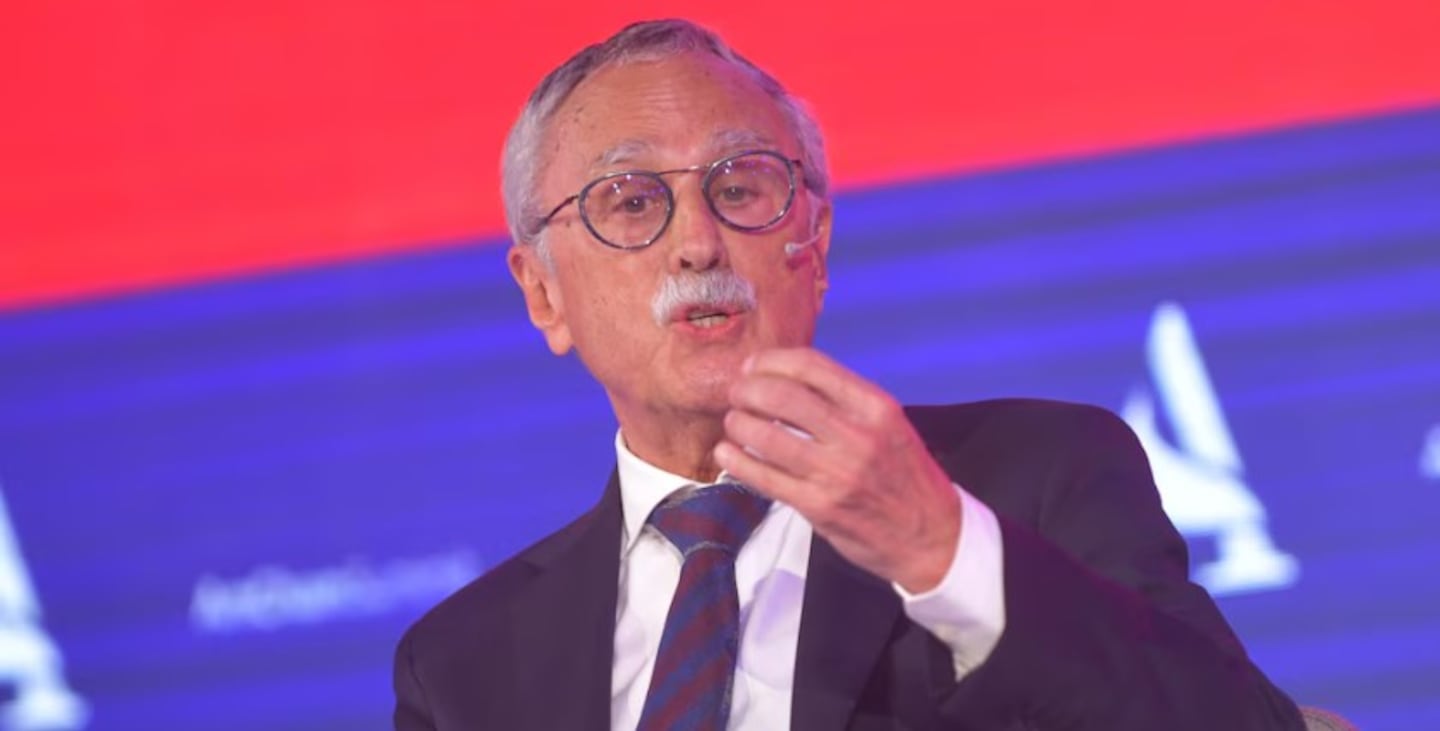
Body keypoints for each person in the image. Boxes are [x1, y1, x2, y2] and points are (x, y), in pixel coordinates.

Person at [392, 18, 1304, 730]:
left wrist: (946, 552)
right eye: (631, 202)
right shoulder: (466, 663)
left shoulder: (1036, 480)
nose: (698, 240)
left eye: (740, 188)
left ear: (815, 245)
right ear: (543, 293)